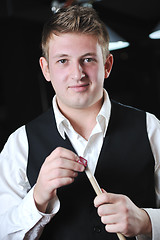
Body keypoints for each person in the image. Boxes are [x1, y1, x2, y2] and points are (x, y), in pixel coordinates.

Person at [0, 5, 160, 240]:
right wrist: (39, 195)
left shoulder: (151, 128)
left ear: (107, 65)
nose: (77, 73)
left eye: (88, 59)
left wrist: (146, 221)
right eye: (63, 61)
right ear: (46, 69)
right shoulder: (20, 143)